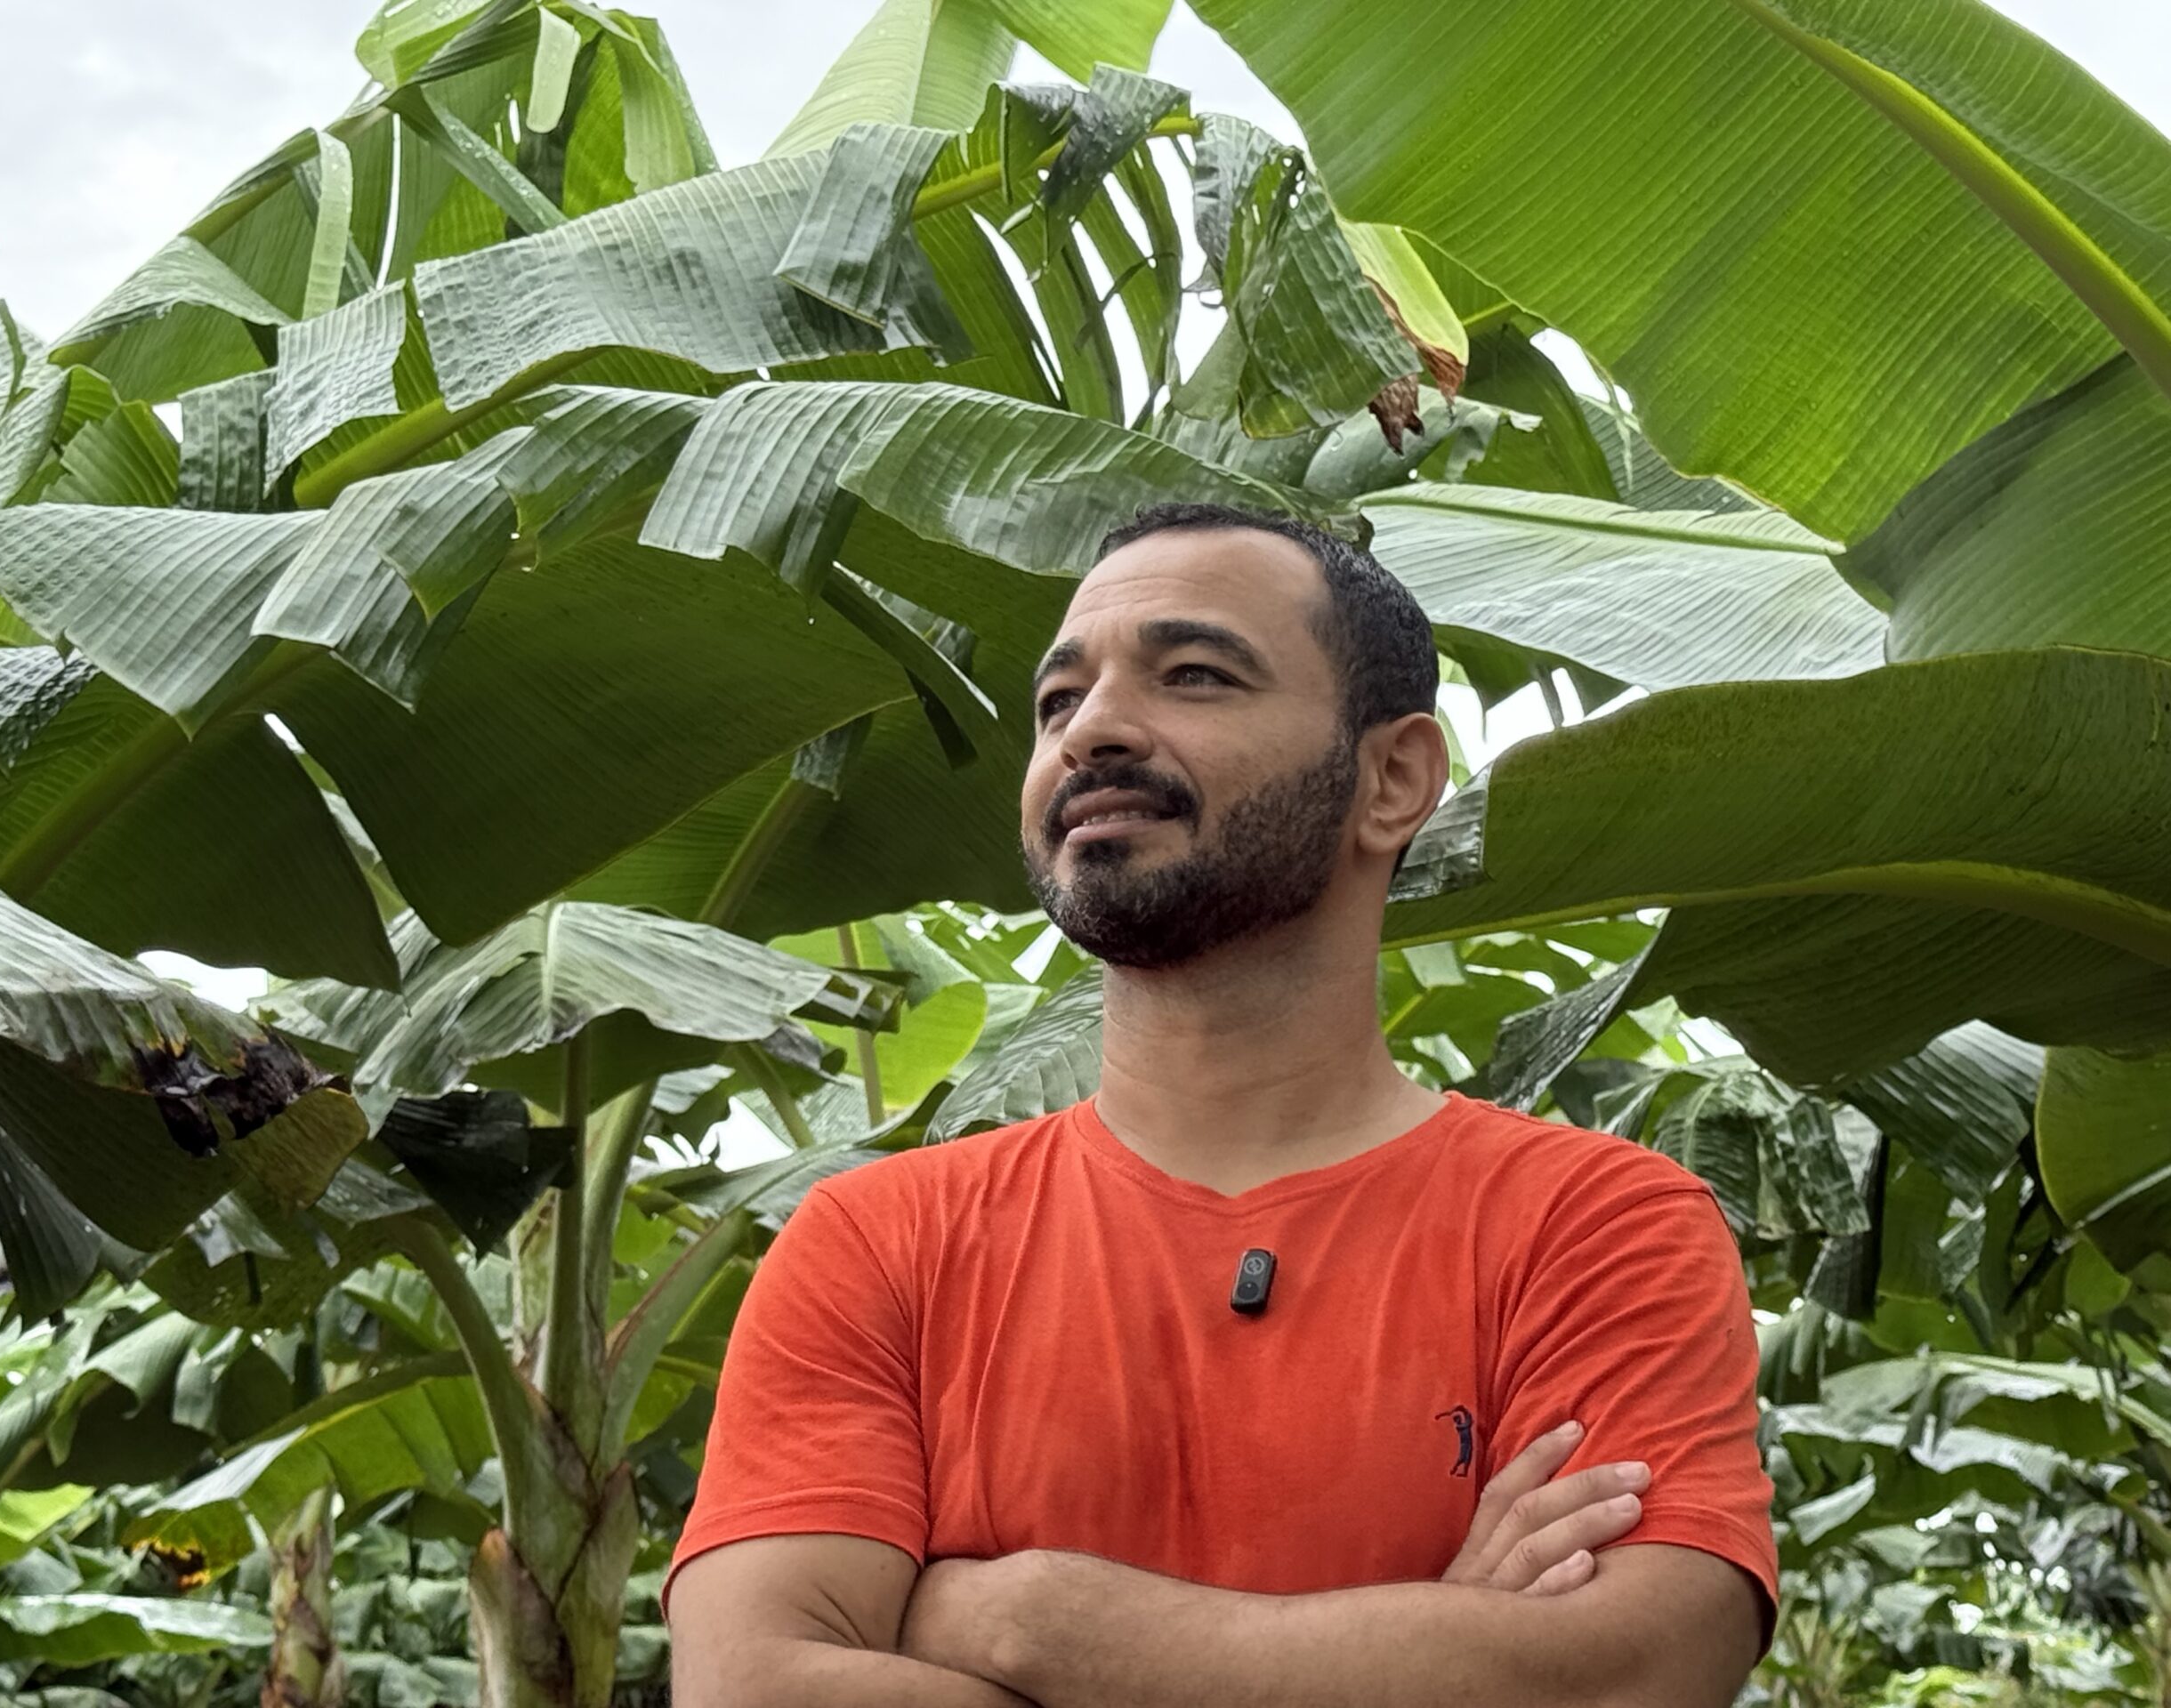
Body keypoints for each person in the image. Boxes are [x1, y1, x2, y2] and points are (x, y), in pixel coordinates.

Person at [662, 503, 1777, 1706]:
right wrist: (1433, 1654)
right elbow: (755, 1689)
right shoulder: (881, 1244)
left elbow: (1628, 1675)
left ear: (1394, 778)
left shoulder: (1596, 1227)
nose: (1092, 729)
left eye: (1195, 674)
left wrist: (1034, 1622)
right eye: (1057, 701)